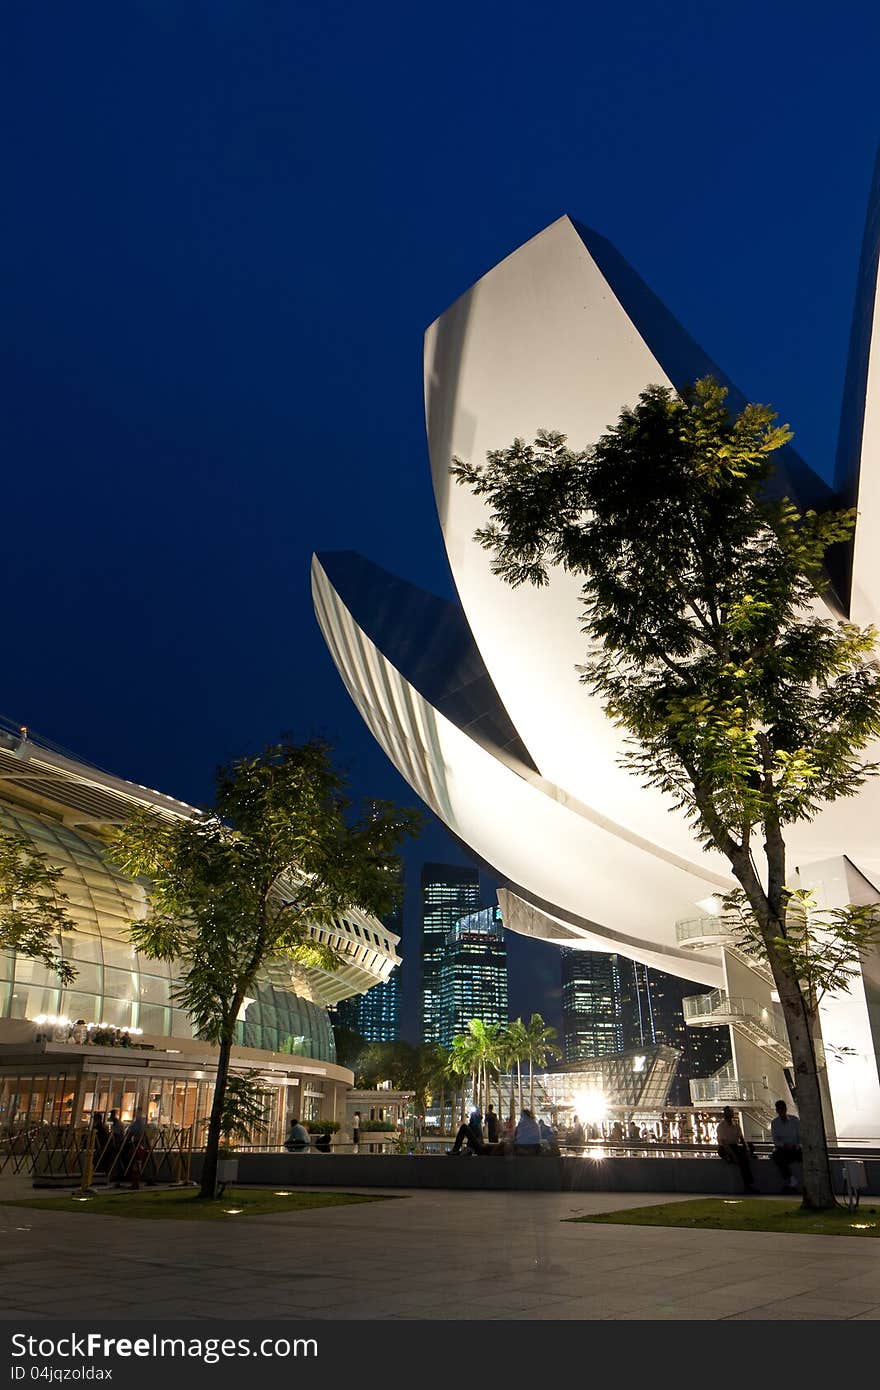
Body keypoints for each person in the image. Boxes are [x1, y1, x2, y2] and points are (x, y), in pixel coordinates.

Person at [716, 1106, 758, 1193]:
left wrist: (746, 1148)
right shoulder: (721, 1126)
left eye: (730, 1113)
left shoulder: (736, 1125)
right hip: (725, 1147)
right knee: (741, 1160)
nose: (729, 1115)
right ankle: (748, 1185)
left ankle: (748, 1184)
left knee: (748, 1150)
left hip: (734, 1146)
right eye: (728, 1113)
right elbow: (724, 1143)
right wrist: (733, 1155)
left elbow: (741, 1138)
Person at [770, 1100, 802, 1190]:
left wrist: (798, 1145)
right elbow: (775, 1140)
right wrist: (784, 1145)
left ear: (785, 1109)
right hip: (783, 1149)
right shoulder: (775, 1123)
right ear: (777, 1110)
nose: (781, 1111)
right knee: (777, 1155)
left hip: (795, 1147)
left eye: (782, 1109)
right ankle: (791, 1178)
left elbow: (801, 1136)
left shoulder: (794, 1120)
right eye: (779, 1109)